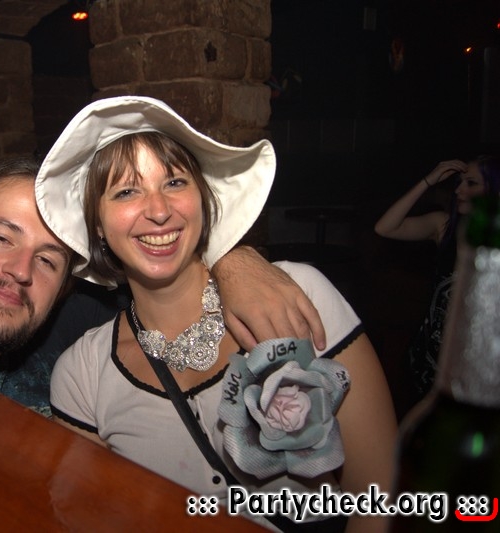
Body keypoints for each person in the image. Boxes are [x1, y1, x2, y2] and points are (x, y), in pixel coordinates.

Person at [37, 97, 397, 532]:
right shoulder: (82, 374)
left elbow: (378, 498)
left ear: (202, 199)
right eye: (126, 191)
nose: (158, 211)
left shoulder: (297, 294)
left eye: (174, 182)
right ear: (96, 223)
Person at [0, 155, 328, 453]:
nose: (21, 271)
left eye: (48, 259)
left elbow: (160, 267)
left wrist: (233, 259)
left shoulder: (80, 336)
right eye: (1, 237)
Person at [374, 156, 500, 401]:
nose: (459, 190)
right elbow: (385, 227)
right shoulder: (444, 225)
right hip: (431, 353)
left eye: (471, 183)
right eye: (459, 182)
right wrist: (428, 181)